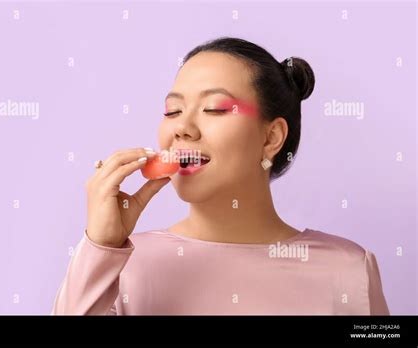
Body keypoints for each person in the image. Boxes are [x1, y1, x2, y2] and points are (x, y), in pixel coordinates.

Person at [51, 37, 389, 315]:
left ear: (271, 138)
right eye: (173, 111)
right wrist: (101, 247)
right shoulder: (122, 264)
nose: (182, 127)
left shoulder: (349, 269)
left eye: (214, 108)